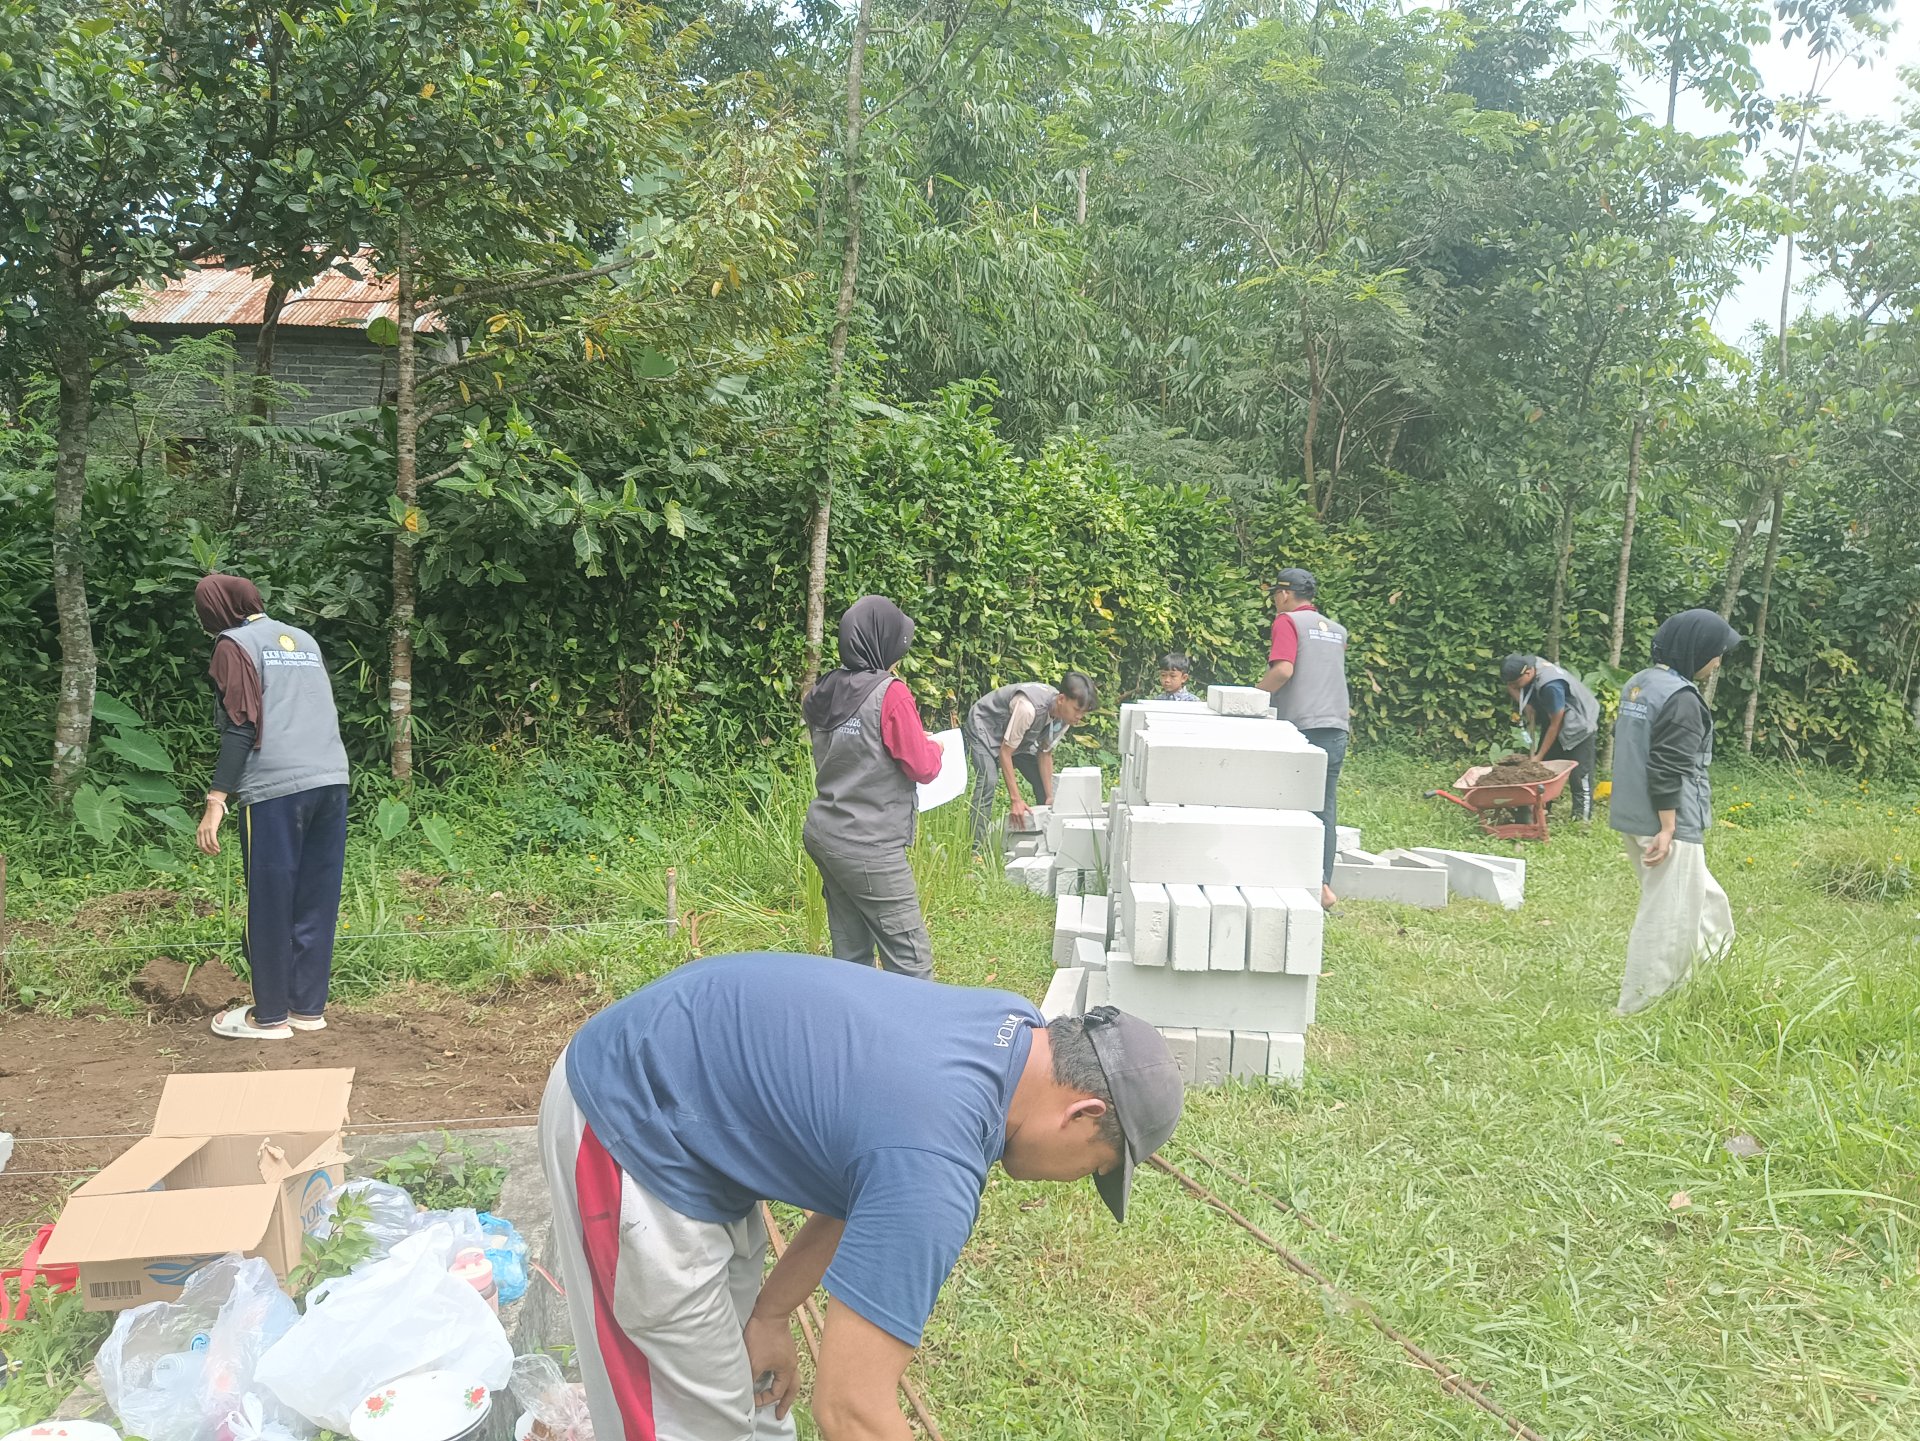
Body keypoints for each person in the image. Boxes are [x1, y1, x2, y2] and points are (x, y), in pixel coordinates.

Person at [539, 951, 1183, 1441]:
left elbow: (871, 1180)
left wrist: (770, 1313)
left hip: (700, 1107)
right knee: (686, 1425)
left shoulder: (1009, 1030)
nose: (1071, 1182)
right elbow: (849, 1406)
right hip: (630, 1119)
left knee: (745, 1396)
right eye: (1092, 1169)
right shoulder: (937, 1163)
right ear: (1082, 1113)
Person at [190, 574, 350, 1040]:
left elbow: (240, 724)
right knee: (316, 898)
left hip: (276, 787)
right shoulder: (302, 638)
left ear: (216, 608)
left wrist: (216, 798)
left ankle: (270, 1018)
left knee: (271, 900)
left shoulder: (232, 644)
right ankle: (307, 1010)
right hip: (331, 779)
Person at [802, 596, 945, 980]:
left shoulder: (827, 688)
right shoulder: (890, 693)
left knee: (851, 953)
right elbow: (923, 766)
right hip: (869, 843)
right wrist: (935, 746)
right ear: (882, 642)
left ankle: (856, 1031)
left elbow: (856, 747)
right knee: (909, 958)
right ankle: (915, 1035)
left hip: (826, 833)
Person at [1607, 609, 1742, 1015]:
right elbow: (1668, 766)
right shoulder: (1681, 699)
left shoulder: (1640, 684)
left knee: (1708, 906)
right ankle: (1639, 1005)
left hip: (1634, 814)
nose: (1718, 661)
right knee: (1666, 918)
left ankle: (1702, 983)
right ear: (1694, 649)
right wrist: (1668, 827)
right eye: (1715, 652)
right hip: (1670, 822)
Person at [1256, 568, 1348, 910]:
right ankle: (1322, 885)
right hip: (1336, 727)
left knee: (1283, 804)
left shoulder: (1287, 622)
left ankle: (1283, 880)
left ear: (1284, 595)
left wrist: (1253, 697)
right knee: (1324, 809)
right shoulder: (1337, 631)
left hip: (1302, 728)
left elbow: (1283, 670)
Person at [964, 672, 1097, 851]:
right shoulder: (1028, 708)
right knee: (988, 780)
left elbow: (1045, 752)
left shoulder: (1064, 719)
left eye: (1083, 713)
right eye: (1076, 710)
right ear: (1062, 699)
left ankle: (1046, 841)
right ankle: (975, 848)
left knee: (1044, 785)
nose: (1079, 717)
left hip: (1017, 737)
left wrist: (1050, 796)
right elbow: (1005, 752)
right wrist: (1015, 799)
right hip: (985, 726)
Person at [1500, 653, 1600, 821]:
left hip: (1579, 724)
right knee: (1542, 769)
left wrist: (1539, 756)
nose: (1513, 687)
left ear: (1529, 673)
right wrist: (1527, 707)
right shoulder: (1527, 664)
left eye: (1516, 684)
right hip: (1554, 717)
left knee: (1579, 775)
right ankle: (1541, 812)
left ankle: (1582, 821)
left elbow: (1556, 724)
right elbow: (1511, 686)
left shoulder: (1551, 686)